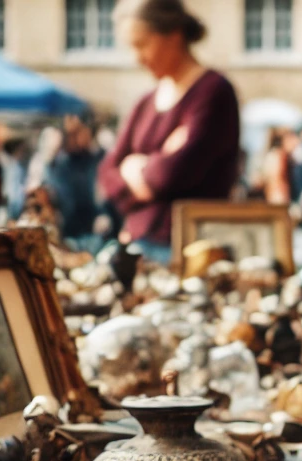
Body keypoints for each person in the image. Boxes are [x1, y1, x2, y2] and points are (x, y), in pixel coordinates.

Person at [99, 0, 239, 265]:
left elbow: (174, 174)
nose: (137, 58)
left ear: (173, 36)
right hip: (136, 244)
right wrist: (157, 163)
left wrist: (135, 169)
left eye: (142, 44)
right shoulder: (145, 101)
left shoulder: (213, 92)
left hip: (188, 249)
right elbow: (106, 174)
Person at [45, 114, 108, 252]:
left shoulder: (100, 159)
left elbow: (102, 195)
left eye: (77, 132)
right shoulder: (60, 164)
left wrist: (103, 214)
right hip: (70, 236)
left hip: (98, 236)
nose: (72, 139)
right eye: (68, 134)